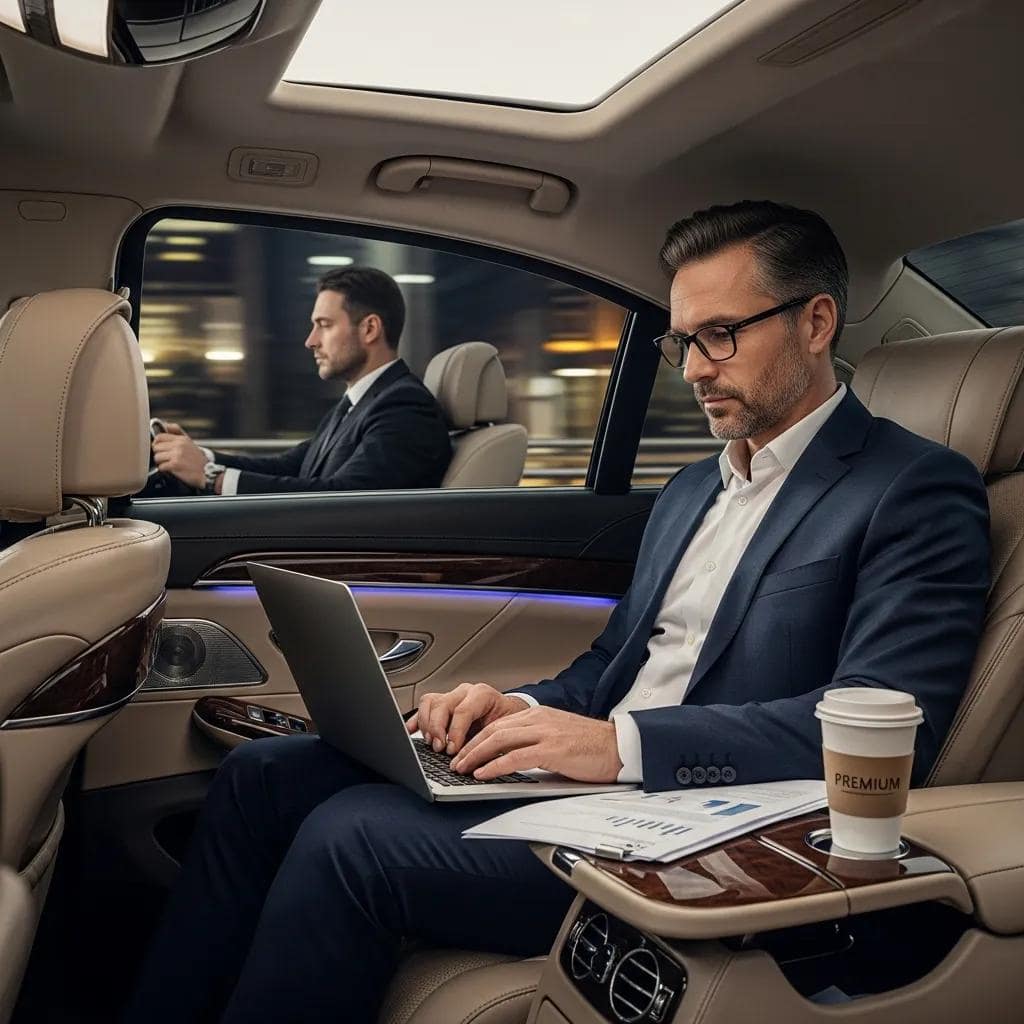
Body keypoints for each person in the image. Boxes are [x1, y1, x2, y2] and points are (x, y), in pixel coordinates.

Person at [123, 201, 990, 1023]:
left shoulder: (911, 488)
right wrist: (517, 707)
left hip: (706, 832)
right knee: (262, 778)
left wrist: (619, 745)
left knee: (350, 837)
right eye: (682, 341)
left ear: (816, 322)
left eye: (720, 335)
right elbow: (612, 666)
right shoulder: (692, 489)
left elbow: (886, 724)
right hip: (597, 795)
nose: (693, 369)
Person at [150, 267, 452, 495]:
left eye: (325, 325)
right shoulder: (357, 404)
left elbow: (344, 498)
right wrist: (199, 457)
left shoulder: (405, 408)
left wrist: (211, 477)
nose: (311, 341)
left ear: (370, 329)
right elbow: (290, 466)